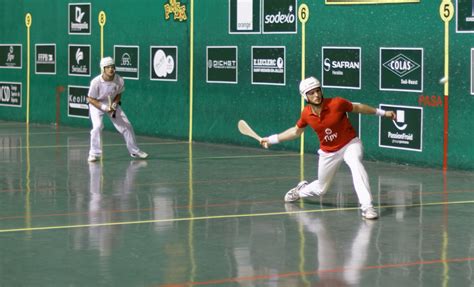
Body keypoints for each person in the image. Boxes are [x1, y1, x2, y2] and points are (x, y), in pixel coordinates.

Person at [260, 76, 396, 220]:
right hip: (328, 153)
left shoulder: (337, 103)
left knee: (356, 164)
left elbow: (358, 107)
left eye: (318, 91)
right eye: (311, 93)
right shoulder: (306, 113)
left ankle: (367, 207)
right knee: (321, 189)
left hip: (350, 143)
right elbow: (295, 131)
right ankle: (300, 191)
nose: (316, 95)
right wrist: (271, 139)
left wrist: (383, 113)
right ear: (305, 96)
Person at [86, 57, 148, 162]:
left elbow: (119, 94)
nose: (111, 69)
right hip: (97, 104)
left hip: (112, 104)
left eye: (113, 67)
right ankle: (94, 154)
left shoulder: (119, 80)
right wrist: (105, 107)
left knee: (127, 126)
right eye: (108, 67)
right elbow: (90, 99)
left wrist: (114, 104)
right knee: (97, 126)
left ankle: (134, 150)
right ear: (103, 69)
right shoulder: (95, 82)